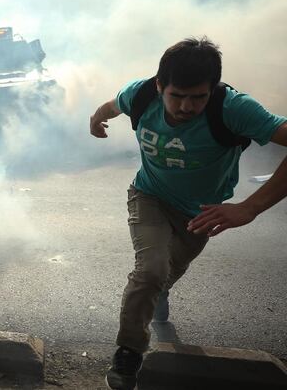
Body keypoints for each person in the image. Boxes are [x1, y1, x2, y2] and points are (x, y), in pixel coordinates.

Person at [89, 37, 287, 390]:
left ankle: (157, 293)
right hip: (148, 195)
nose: (187, 107)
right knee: (150, 271)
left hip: (200, 215)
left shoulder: (234, 108)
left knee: (162, 276)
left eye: (199, 97)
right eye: (177, 95)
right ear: (159, 85)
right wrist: (96, 119)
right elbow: (111, 105)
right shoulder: (140, 95)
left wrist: (251, 207)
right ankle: (129, 353)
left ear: (213, 90)